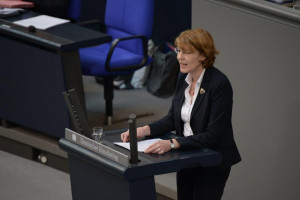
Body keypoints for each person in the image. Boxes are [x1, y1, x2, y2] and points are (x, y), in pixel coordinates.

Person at [121, 28, 241, 200]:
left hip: (212, 160)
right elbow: (173, 118)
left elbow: (213, 135)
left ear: (203, 55)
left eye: (187, 52)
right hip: (186, 156)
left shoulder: (219, 84)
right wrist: (144, 130)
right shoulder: (183, 78)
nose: (179, 57)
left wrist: (171, 144)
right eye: (178, 50)